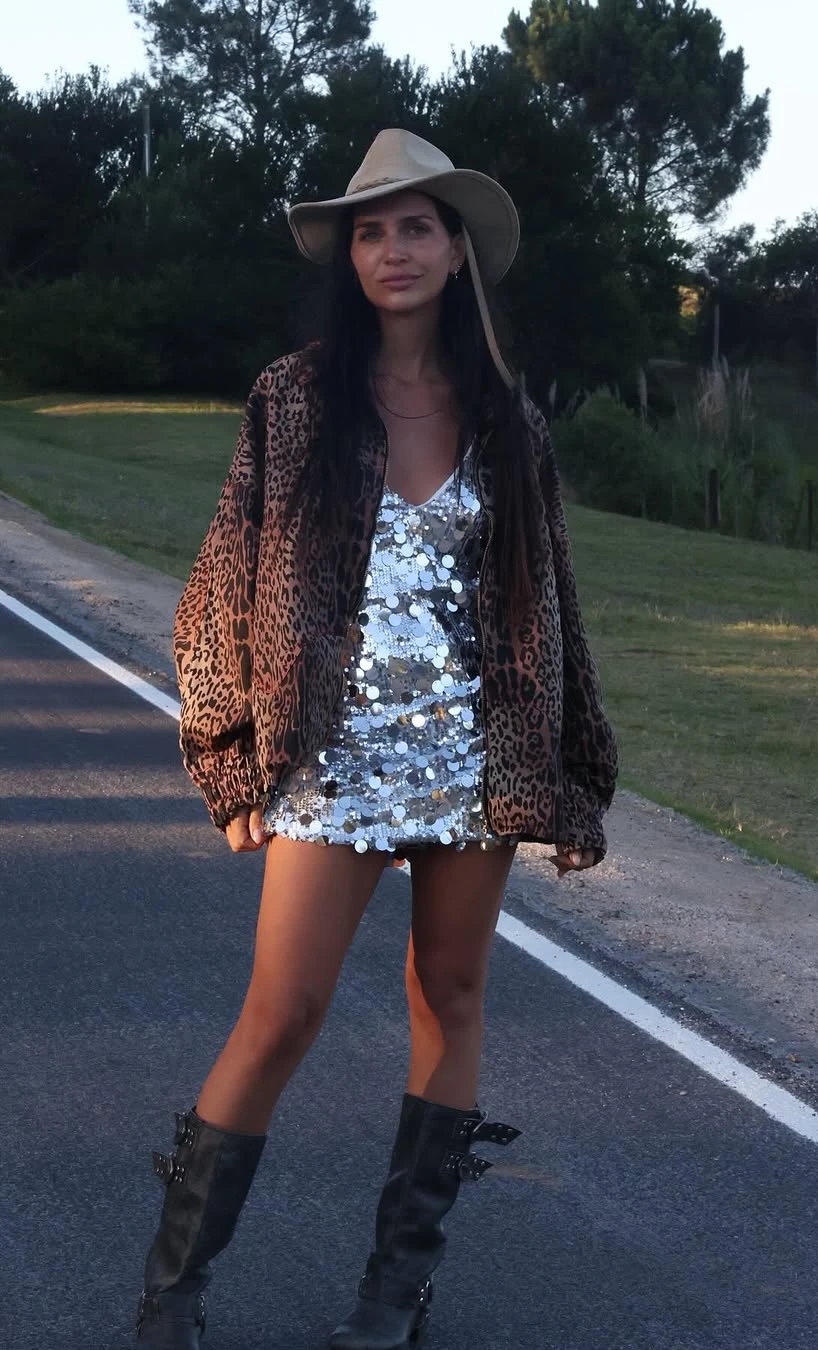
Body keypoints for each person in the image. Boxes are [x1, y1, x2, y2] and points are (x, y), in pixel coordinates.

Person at [132, 129, 618, 1350]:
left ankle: (396, 1292)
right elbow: (218, 588)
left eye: (415, 227)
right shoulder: (295, 399)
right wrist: (228, 754)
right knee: (282, 1011)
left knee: (447, 996)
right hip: (324, 759)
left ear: (458, 252)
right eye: (369, 229)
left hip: (469, 756)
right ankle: (172, 1297)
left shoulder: (510, 422)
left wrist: (567, 778)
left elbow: (550, 608)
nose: (390, 249)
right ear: (349, 256)